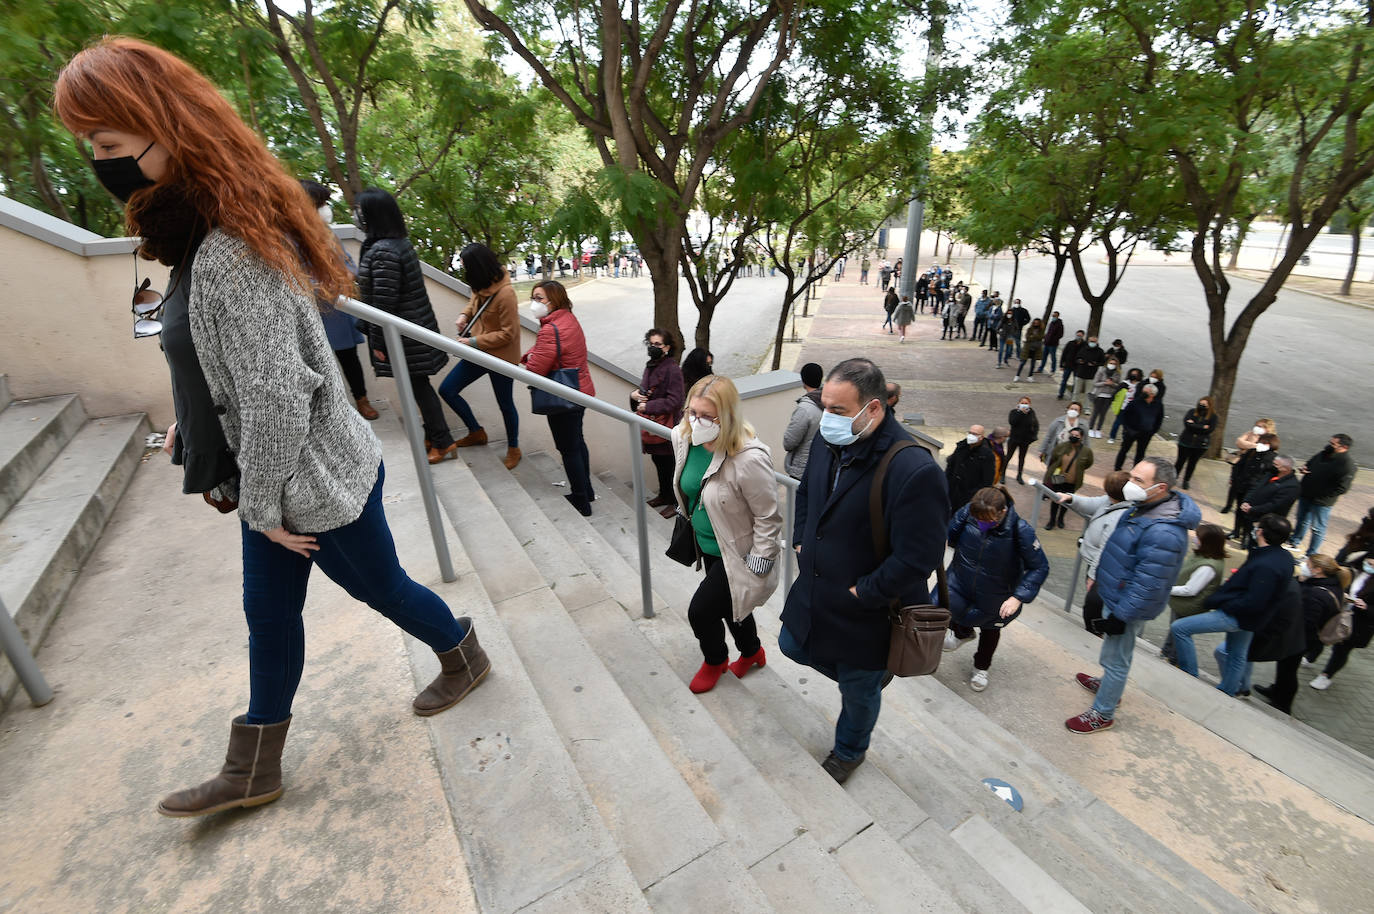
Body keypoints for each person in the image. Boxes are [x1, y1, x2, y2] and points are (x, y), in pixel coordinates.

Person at [54, 37, 489, 817]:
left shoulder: (229, 250)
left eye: (109, 144)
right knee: (268, 612)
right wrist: (195, 426)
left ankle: (463, 653)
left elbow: (279, 394)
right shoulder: (203, 234)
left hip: (313, 480)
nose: (98, 160)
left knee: (380, 588)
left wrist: (260, 507)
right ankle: (254, 764)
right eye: (89, 145)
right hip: (281, 475)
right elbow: (217, 360)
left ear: (164, 129)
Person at [780, 358, 949, 783]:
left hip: (866, 610)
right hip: (817, 585)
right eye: (825, 406)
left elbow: (918, 558)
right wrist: (801, 539)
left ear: (873, 409)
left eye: (838, 411)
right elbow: (808, 495)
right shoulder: (826, 437)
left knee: (858, 691)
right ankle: (871, 680)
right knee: (791, 645)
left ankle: (850, 751)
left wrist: (865, 593)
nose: (827, 418)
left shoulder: (915, 470)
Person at [1066, 457, 1200, 732]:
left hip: (1126, 606)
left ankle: (1103, 712)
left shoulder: (1165, 532)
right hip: (1116, 596)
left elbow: (1148, 583)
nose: (1130, 483)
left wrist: (1121, 616)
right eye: (1132, 476)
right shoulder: (1144, 508)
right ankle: (1107, 687)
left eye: (1139, 480)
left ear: (1160, 488)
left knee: (1117, 659)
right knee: (1113, 654)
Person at [672, 376, 783, 692]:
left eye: (707, 416)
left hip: (739, 553)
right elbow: (688, 485)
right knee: (731, 607)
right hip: (706, 543)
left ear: (728, 416)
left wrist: (759, 563)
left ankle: (715, 660)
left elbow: (768, 516)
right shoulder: (682, 437)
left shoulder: (749, 458)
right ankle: (752, 652)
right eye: (693, 412)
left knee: (701, 612)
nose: (697, 421)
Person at [353, 187, 456, 464]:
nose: (357, 216)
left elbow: (383, 306)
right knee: (418, 386)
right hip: (411, 332)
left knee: (419, 387)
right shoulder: (395, 244)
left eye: (361, 212)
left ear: (374, 215)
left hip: (404, 337)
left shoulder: (384, 251)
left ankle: (443, 441)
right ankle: (433, 435)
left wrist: (378, 344)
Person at [1170, 514, 1295, 697]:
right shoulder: (1283, 558)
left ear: (1260, 532)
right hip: (1252, 619)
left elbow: (1254, 600)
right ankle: (1228, 690)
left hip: (1237, 615)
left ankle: (1190, 675)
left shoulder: (1266, 564)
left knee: (1180, 629)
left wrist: (1224, 602)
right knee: (1237, 654)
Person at [943, 486, 1049, 691]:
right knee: (945, 606)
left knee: (990, 629)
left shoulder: (1021, 531)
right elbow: (949, 534)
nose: (982, 523)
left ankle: (981, 667)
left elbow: (1039, 566)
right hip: (961, 580)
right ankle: (962, 632)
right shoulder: (968, 512)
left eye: (988, 520)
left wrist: (1018, 597)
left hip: (997, 593)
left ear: (1003, 512)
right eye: (979, 518)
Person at [439, 242, 522, 470]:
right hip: (479, 352)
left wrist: (473, 341)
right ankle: (476, 431)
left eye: (466, 266)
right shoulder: (480, 282)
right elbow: (473, 303)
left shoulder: (506, 294)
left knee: (505, 404)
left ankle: (514, 448)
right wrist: (463, 316)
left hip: (501, 357)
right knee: (447, 390)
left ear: (479, 266)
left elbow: (509, 334)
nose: (464, 271)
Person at [300, 180, 376, 421]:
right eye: (321, 203)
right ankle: (328, 410)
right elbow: (292, 277)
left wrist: (343, 278)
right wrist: (319, 287)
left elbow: (349, 265)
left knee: (349, 357)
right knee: (315, 364)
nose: (326, 208)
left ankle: (362, 400)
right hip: (310, 311)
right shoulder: (288, 239)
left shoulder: (329, 234)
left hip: (338, 308)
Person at [521, 281, 595, 515]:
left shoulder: (550, 329)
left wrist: (528, 360)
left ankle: (581, 500)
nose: (535, 303)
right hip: (579, 391)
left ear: (554, 299)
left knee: (568, 448)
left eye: (540, 298)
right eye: (534, 297)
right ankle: (588, 491)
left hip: (563, 397)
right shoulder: (568, 319)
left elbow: (536, 369)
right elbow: (549, 354)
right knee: (578, 442)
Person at [1254, 554, 1346, 712]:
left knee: (1288, 670)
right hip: (1305, 638)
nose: (1304, 565)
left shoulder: (1317, 594)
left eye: (1308, 564)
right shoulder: (1332, 585)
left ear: (1318, 570)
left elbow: (1308, 621)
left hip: (1301, 639)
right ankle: (1276, 690)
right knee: (1285, 667)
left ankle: (1283, 704)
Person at [1058, 470, 1132, 632]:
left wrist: (1093, 575)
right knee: (1094, 601)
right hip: (1096, 564)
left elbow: (1104, 549)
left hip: (1102, 568)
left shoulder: (1118, 516)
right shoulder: (1110, 501)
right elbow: (1091, 504)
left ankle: (1095, 631)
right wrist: (1071, 498)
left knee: (1094, 604)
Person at [1158, 523, 1228, 664]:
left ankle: (1173, 660)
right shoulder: (1203, 556)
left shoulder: (1208, 566)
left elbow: (1190, 590)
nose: (1194, 539)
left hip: (1188, 606)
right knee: (1173, 629)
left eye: (1198, 537)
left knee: (1177, 631)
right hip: (1181, 603)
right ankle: (1166, 652)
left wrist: (1166, 588)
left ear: (1207, 543)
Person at [634, 329, 686, 510]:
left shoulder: (672, 370)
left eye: (657, 344)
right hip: (653, 424)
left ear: (667, 348)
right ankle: (664, 496)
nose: (653, 347)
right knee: (659, 462)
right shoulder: (651, 365)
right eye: (650, 344)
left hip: (666, 425)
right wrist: (636, 396)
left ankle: (675, 502)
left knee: (670, 466)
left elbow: (676, 400)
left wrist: (648, 407)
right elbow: (646, 390)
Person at [1311, 550, 1374, 690]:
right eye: (1369, 563)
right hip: (1339, 611)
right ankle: (1311, 656)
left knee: (1341, 649)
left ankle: (1326, 675)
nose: (1370, 567)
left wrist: (1366, 607)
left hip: (1358, 622)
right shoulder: (1352, 571)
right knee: (1321, 634)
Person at [1288, 434, 1356, 555]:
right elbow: (1309, 464)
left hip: (1322, 502)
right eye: (1330, 442)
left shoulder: (1347, 465)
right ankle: (1295, 541)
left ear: (1344, 447)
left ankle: (1311, 553)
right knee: (1301, 519)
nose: (1330, 445)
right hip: (1306, 494)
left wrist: (1323, 495)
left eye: (1333, 444)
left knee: (1317, 528)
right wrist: (1304, 468)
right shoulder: (1323, 454)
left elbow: (1342, 488)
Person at [1236, 455, 1300, 548]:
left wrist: (1253, 509)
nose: (1272, 465)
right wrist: (1246, 501)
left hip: (1268, 523)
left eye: (1276, 465)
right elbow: (1255, 487)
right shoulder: (1270, 474)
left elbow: (1275, 505)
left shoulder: (1292, 486)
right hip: (1252, 516)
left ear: (1285, 469)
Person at [1044, 427, 1094, 529]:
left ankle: (1061, 519)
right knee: (1055, 500)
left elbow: (1088, 463)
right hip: (1058, 478)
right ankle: (1052, 521)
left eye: (1077, 436)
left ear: (1082, 438)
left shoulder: (1086, 451)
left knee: (1067, 501)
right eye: (1072, 435)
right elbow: (1054, 457)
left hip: (1072, 481)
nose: (1074, 437)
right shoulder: (1061, 446)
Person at [1226, 430, 1279, 523]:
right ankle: (1236, 530)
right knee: (1239, 507)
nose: (1259, 443)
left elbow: (1272, 473)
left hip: (1255, 488)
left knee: (1248, 511)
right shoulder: (1252, 452)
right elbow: (1239, 465)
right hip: (1242, 484)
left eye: (1263, 442)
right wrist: (1235, 478)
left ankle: (1245, 532)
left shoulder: (1273, 457)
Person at [783, 362, 825, 480]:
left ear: (803, 380)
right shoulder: (830, 402)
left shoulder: (805, 409)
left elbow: (789, 442)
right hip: (823, 465)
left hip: (803, 469)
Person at [945, 425, 998, 510]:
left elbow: (987, 480)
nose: (971, 435)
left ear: (981, 437)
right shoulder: (961, 446)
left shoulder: (987, 455)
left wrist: (974, 496)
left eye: (975, 434)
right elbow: (951, 466)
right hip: (954, 490)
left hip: (969, 495)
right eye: (970, 433)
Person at [1113, 383, 1163, 471]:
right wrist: (1127, 429)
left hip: (1146, 433)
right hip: (1132, 432)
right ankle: (1117, 468)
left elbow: (1159, 419)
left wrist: (1153, 431)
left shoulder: (1158, 405)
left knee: (1140, 453)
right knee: (1124, 450)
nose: (1143, 393)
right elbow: (1125, 416)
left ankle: (1136, 470)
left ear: (1152, 394)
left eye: (1146, 392)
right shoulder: (1135, 402)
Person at [1174, 396, 1219, 490]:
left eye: (1204, 405)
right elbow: (1187, 425)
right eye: (1200, 404)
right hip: (1186, 442)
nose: (1201, 406)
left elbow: (1210, 430)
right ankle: (1174, 477)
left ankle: (1186, 480)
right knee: (1180, 461)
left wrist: (1194, 425)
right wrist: (1202, 427)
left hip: (1200, 445)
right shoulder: (1191, 412)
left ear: (1209, 406)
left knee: (1192, 463)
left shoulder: (1213, 417)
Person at [1039, 401, 1085, 466]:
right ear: (1068, 409)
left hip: (1072, 454)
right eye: (1071, 409)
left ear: (1079, 412)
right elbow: (1048, 436)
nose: (1073, 411)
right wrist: (1042, 450)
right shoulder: (1058, 421)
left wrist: (1084, 456)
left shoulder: (1083, 425)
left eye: (1076, 410)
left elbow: (1085, 441)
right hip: (1056, 451)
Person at [1006, 395, 1040, 485]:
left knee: (1022, 458)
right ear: (1019, 404)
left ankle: (1019, 475)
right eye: (1022, 403)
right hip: (1014, 439)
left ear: (1030, 404)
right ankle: (1002, 473)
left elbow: (1035, 424)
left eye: (1026, 403)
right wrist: (1020, 412)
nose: (1024, 405)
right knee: (1008, 456)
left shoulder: (1031, 413)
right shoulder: (1014, 412)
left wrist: (1033, 436)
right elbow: (1012, 422)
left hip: (1025, 440)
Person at [1106, 368, 1143, 444]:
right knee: (1117, 423)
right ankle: (1112, 437)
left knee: (1128, 425)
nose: (1134, 376)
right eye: (1133, 374)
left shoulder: (1140, 386)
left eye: (1136, 374)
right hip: (1122, 407)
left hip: (1132, 409)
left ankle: (1124, 438)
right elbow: (1115, 393)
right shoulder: (1124, 384)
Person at [1088, 357, 1123, 437]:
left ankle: (1098, 430)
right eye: (1111, 363)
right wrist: (1105, 383)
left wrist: (1112, 384)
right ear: (1107, 363)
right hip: (1099, 395)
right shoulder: (1101, 371)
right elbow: (1095, 383)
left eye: (1114, 364)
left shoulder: (1117, 373)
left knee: (1103, 414)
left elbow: (1118, 385)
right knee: (1095, 413)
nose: (1112, 365)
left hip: (1109, 397)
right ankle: (1090, 428)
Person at [1070, 335, 1106, 402]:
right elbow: (1077, 358)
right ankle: (1073, 404)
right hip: (1080, 373)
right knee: (1076, 391)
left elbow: (1103, 362)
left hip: (1091, 375)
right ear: (1088, 341)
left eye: (1094, 341)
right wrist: (1079, 360)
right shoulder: (1083, 349)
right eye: (1091, 341)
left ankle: (1087, 408)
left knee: (1088, 393)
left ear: (1097, 342)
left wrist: (1095, 364)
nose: (1092, 343)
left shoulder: (1100, 351)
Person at [1057, 330, 1086, 399]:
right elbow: (1064, 354)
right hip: (1068, 365)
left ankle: (1074, 395)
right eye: (1077, 335)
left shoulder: (1085, 345)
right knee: (1064, 380)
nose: (1078, 337)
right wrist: (1061, 365)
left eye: (1080, 336)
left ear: (1083, 336)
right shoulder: (1070, 343)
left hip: (1078, 366)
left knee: (1076, 382)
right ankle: (1061, 394)